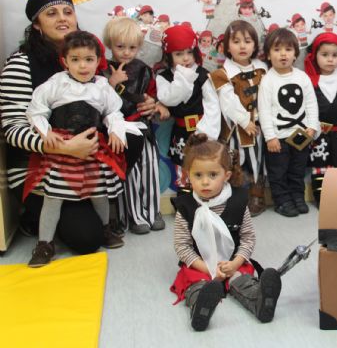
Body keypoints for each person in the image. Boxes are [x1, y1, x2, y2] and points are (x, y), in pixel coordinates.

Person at [0, 0, 155, 254]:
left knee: (132, 135)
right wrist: (62, 147)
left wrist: (146, 103)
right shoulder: (21, 63)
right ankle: (36, 216)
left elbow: (107, 103)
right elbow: (13, 128)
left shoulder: (88, 58)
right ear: (37, 24)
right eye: (51, 13)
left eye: (68, 12)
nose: (62, 18)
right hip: (40, 164)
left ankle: (94, 200)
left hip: (85, 159)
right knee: (86, 238)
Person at [24, 31, 143, 266]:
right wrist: (46, 132)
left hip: (92, 148)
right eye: (75, 59)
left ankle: (105, 228)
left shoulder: (102, 86)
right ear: (65, 61)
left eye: (89, 59)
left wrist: (115, 130)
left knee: (99, 193)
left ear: (98, 61)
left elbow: (113, 112)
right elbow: (36, 110)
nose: (82, 65)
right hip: (62, 148)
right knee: (53, 197)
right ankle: (44, 244)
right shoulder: (56, 83)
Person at [170, 134, 282, 331]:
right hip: (200, 265)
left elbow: (248, 238)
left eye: (213, 175)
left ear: (227, 175)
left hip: (231, 262)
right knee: (196, 284)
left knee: (242, 279)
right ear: (188, 175)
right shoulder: (186, 206)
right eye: (198, 175)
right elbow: (182, 246)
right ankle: (200, 308)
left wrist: (235, 264)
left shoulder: (238, 202)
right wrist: (207, 268)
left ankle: (259, 301)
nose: (205, 182)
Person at [103, 17, 167, 234]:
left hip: (143, 127)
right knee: (130, 173)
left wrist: (153, 103)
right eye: (120, 47)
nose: (126, 52)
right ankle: (134, 216)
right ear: (110, 45)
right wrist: (112, 83)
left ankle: (153, 211)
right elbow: (100, 99)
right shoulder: (104, 70)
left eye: (132, 48)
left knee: (150, 168)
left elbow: (152, 94)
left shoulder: (144, 69)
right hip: (121, 131)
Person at [258, 28, 319, 217]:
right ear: (268, 55)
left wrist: (312, 127)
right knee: (278, 172)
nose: (283, 54)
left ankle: (297, 196)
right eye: (277, 50)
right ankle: (282, 201)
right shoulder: (268, 80)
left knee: (297, 169)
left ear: (295, 54)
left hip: (301, 134)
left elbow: (311, 103)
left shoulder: (302, 77)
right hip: (278, 138)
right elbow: (264, 111)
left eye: (288, 49)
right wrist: (270, 137)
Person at [210, 21, 268, 216]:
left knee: (258, 161)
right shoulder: (222, 74)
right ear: (227, 46)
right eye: (236, 41)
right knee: (237, 162)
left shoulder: (262, 68)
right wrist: (244, 120)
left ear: (255, 45)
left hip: (260, 126)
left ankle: (257, 196)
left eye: (247, 41)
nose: (242, 46)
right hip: (236, 130)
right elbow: (228, 102)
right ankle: (237, 198)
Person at [156, 25, 221, 192]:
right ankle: (185, 199)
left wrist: (208, 133)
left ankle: (206, 197)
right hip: (180, 131)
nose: (185, 58)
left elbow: (213, 105)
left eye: (189, 52)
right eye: (178, 54)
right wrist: (182, 77)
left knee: (204, 167)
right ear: (169, 55)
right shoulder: (164, 77)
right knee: (182, 167)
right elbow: (169, 99)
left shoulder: (203, 74)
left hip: (202, 130)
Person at [304, 32, 337, 204]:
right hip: (318, 133)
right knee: (319, 165)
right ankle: (321, 199)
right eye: (325, 55)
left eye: (335, 55)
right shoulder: (309, 80)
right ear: (315, 55)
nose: (330, 59)